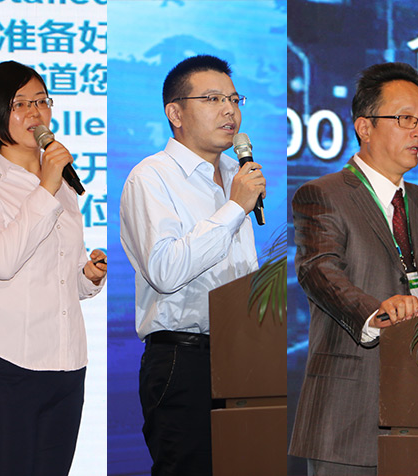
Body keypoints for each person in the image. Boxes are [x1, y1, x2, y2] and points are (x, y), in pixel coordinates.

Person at [289, 62, 418, 475]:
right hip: (350, 412)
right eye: (405, 119)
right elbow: (319, 271)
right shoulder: (323, 194)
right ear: (364, 127)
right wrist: (375, 312)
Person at [0, 60, 107, 476]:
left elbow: (61, 274)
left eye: (41, 101)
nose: (35, 112)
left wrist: (88, 275)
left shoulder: (63, 185)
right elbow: (1, 261)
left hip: (66, 363)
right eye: (20, 104)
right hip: (4, 361)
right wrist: (47, 186)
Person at [119, 54, 265, 476]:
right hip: (184, 361)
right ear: (175, 113)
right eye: (213, 99)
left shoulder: (236, 175)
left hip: (243, 358)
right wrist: (234, 208)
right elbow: (165, 270)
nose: (229, 110)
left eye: (234, 99)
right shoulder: (152, 177)